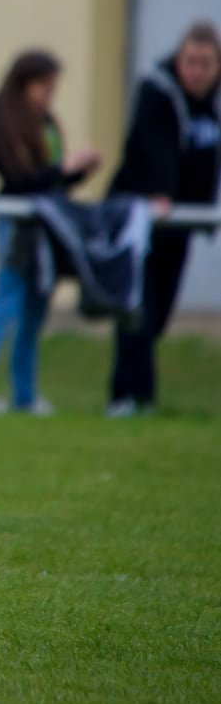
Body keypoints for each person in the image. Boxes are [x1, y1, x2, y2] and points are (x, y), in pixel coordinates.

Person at [0, 49, 100, 416]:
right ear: (25, 83)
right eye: (45, 86)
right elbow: (21, 179)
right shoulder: (2, 116)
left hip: (49, 222)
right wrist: (62, 170)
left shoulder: (46, 120)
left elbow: (51, 177)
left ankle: (25, 395)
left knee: (36, 308)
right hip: (18, 221)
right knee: (6, 302)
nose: (50, 95)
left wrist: (80, 171)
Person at [106, 21, 221, 417]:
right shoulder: (157, 91)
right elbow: (152, 146)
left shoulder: (211, 108)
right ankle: (127, 397)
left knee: (160, 313)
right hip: (140, 218)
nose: (197, 70)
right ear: (179, 59)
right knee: (137, 306)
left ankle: (141, 397)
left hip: (180, 224)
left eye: (206, 63)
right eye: (190, 61)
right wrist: (161, 192)